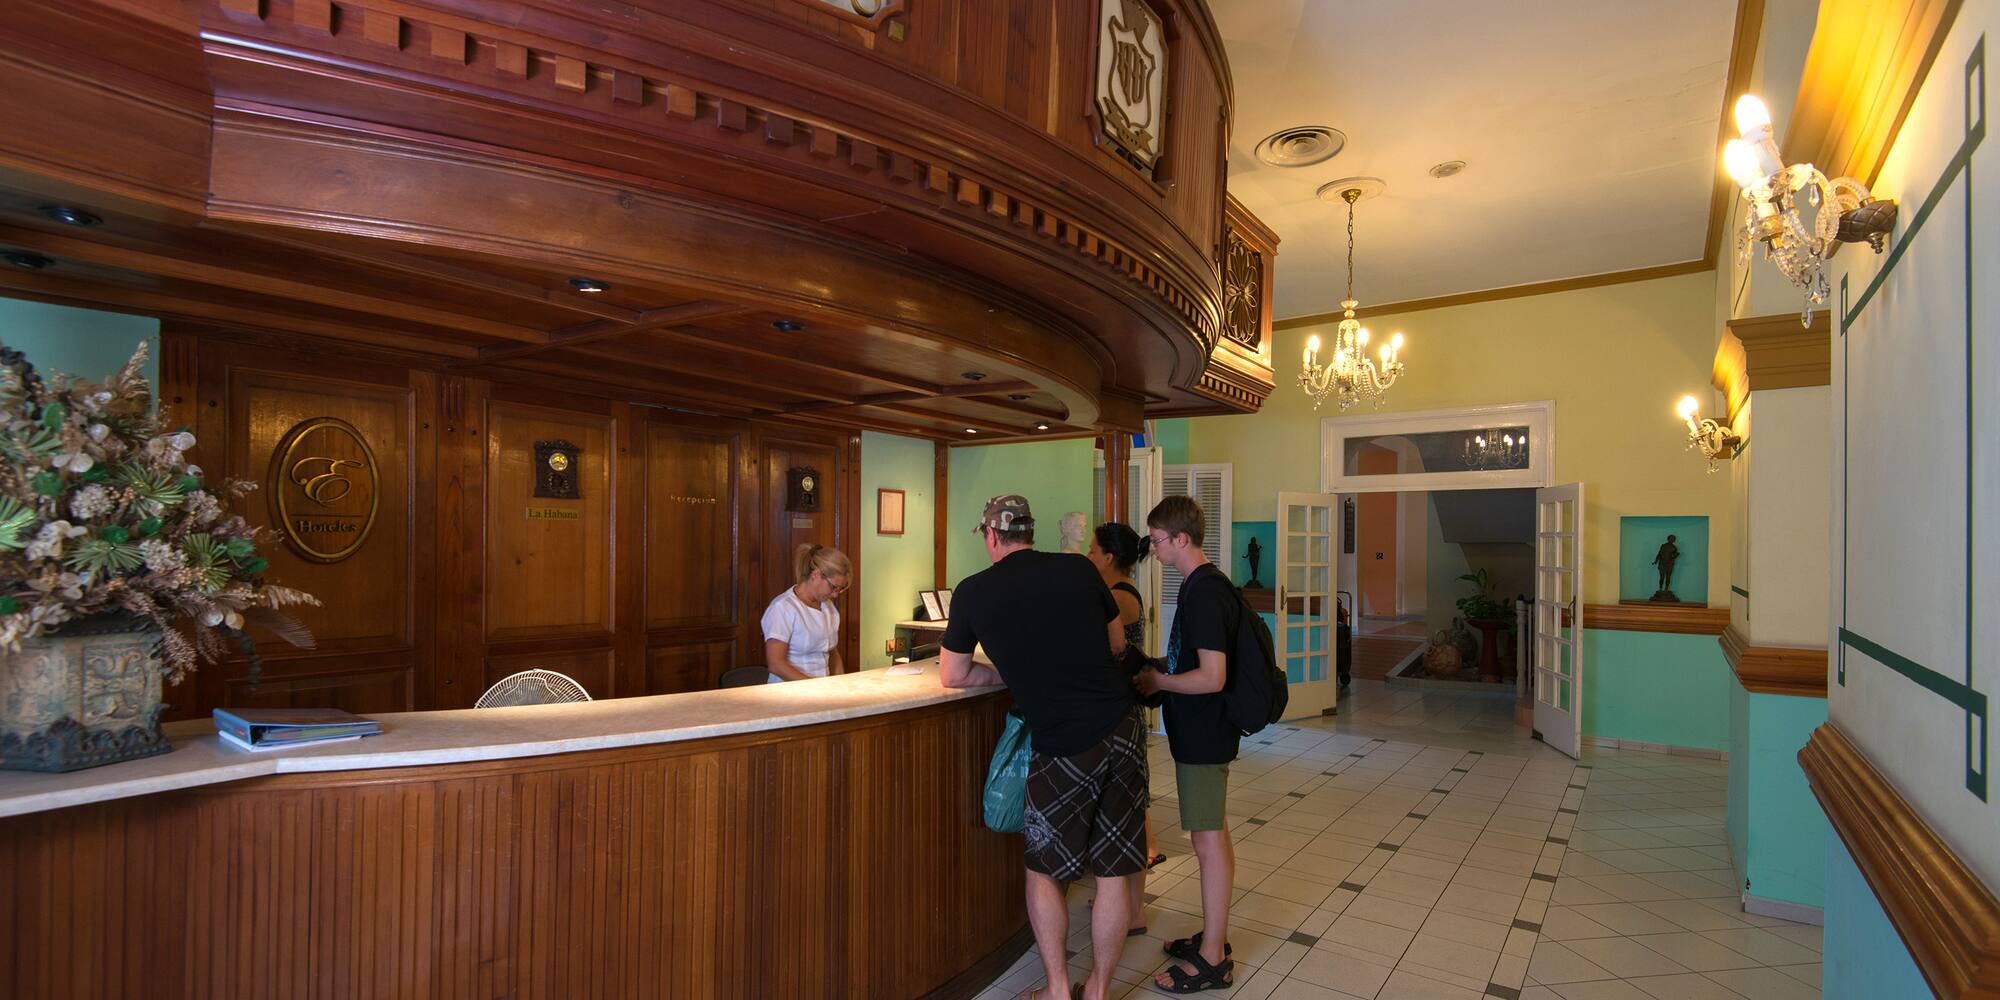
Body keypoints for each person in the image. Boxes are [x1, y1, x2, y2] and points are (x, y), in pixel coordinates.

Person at [940, 495, 1145, 1000]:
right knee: (1115, 868)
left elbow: (953, 674)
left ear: (991, 535)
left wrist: (1009, 671)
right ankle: (1096, 990)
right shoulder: (1079, 570)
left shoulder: (973, 592)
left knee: (1044, 869)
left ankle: (1056, 990)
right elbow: (1117, 645)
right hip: (1122, 727)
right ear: (1029, 532)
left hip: (1062, 745)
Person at [1136, 495, 1238, 994]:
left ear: (1180, 539)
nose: (1152, 550)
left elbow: (1213, 677)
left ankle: (1213, 957)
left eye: (1157, 541)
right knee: (1211, 834)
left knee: (1206, 841)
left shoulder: (1203, 593)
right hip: (1202, 728)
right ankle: (1212, 937)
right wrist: (1163, 665)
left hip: (1203, 731)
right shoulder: (1204, 586)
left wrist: (1160, 683)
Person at [1084, 522, 1166, 936]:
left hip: (1121, 712)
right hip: (1116, 710)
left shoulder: (1119, 597)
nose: (1087, 556)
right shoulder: (1115, 592)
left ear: (1109, 557)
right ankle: (1121, 903)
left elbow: (1092, 642)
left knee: (1126, 814)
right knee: (1122, 811)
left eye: (1093, 550)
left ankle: (1132, 909)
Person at [762, 543, 849, 683]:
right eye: (833, 587)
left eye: (840, 589)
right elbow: (776, 664)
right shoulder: (783, 607)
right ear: (816, 574)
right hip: (788, 693)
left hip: (821, 691)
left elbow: (833, 653)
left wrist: (840, 684)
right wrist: (814, 688)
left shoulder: (828, 608)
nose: (835, 595)